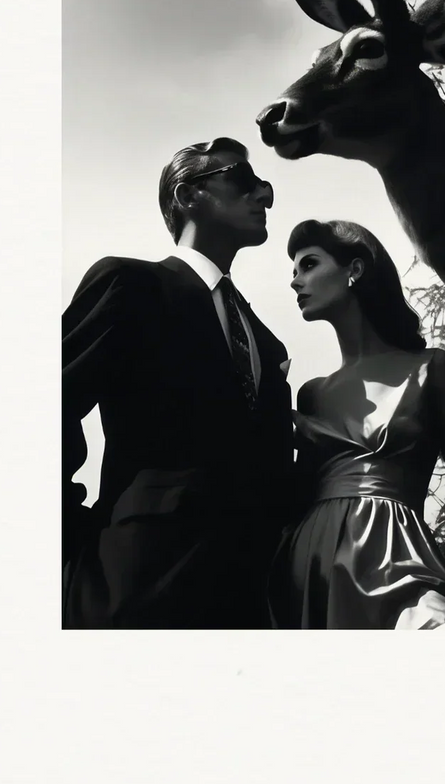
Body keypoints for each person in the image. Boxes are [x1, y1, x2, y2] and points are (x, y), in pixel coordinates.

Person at [61, 138, 296, 628]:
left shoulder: (267, 346)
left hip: (250, 603)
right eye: (244, 179)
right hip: (135, 586)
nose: (265, 195)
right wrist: (74, 545)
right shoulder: (129, 285)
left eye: (265, 185)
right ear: (189, 196)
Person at [270, 219, 445, 630]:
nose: (295, 281)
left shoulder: (432, 369)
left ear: (354, 270)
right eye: (294, 272)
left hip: (398, 557)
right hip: (313, 568)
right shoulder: (311, 394)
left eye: (307, 265)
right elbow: (287, 505)